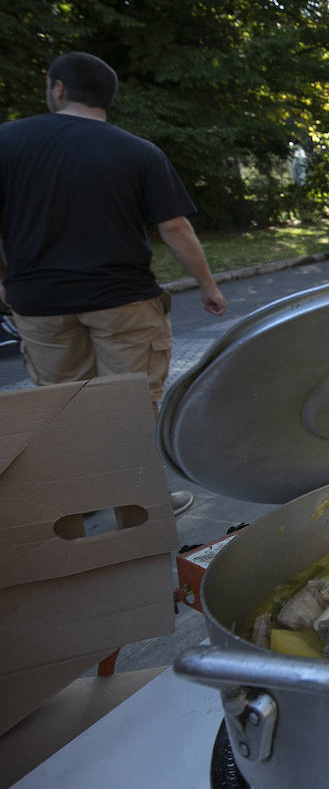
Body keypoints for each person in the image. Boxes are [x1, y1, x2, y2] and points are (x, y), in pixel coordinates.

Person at [0, 52, 227, 515]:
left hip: (39, 303)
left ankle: (79, 503)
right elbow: (175, 229)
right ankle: (137, 507)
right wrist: (207, 285)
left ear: (58, 88)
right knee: (130, 406)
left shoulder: (7, 141)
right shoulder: (136, 150)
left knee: (63, 406)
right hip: (123, 301)